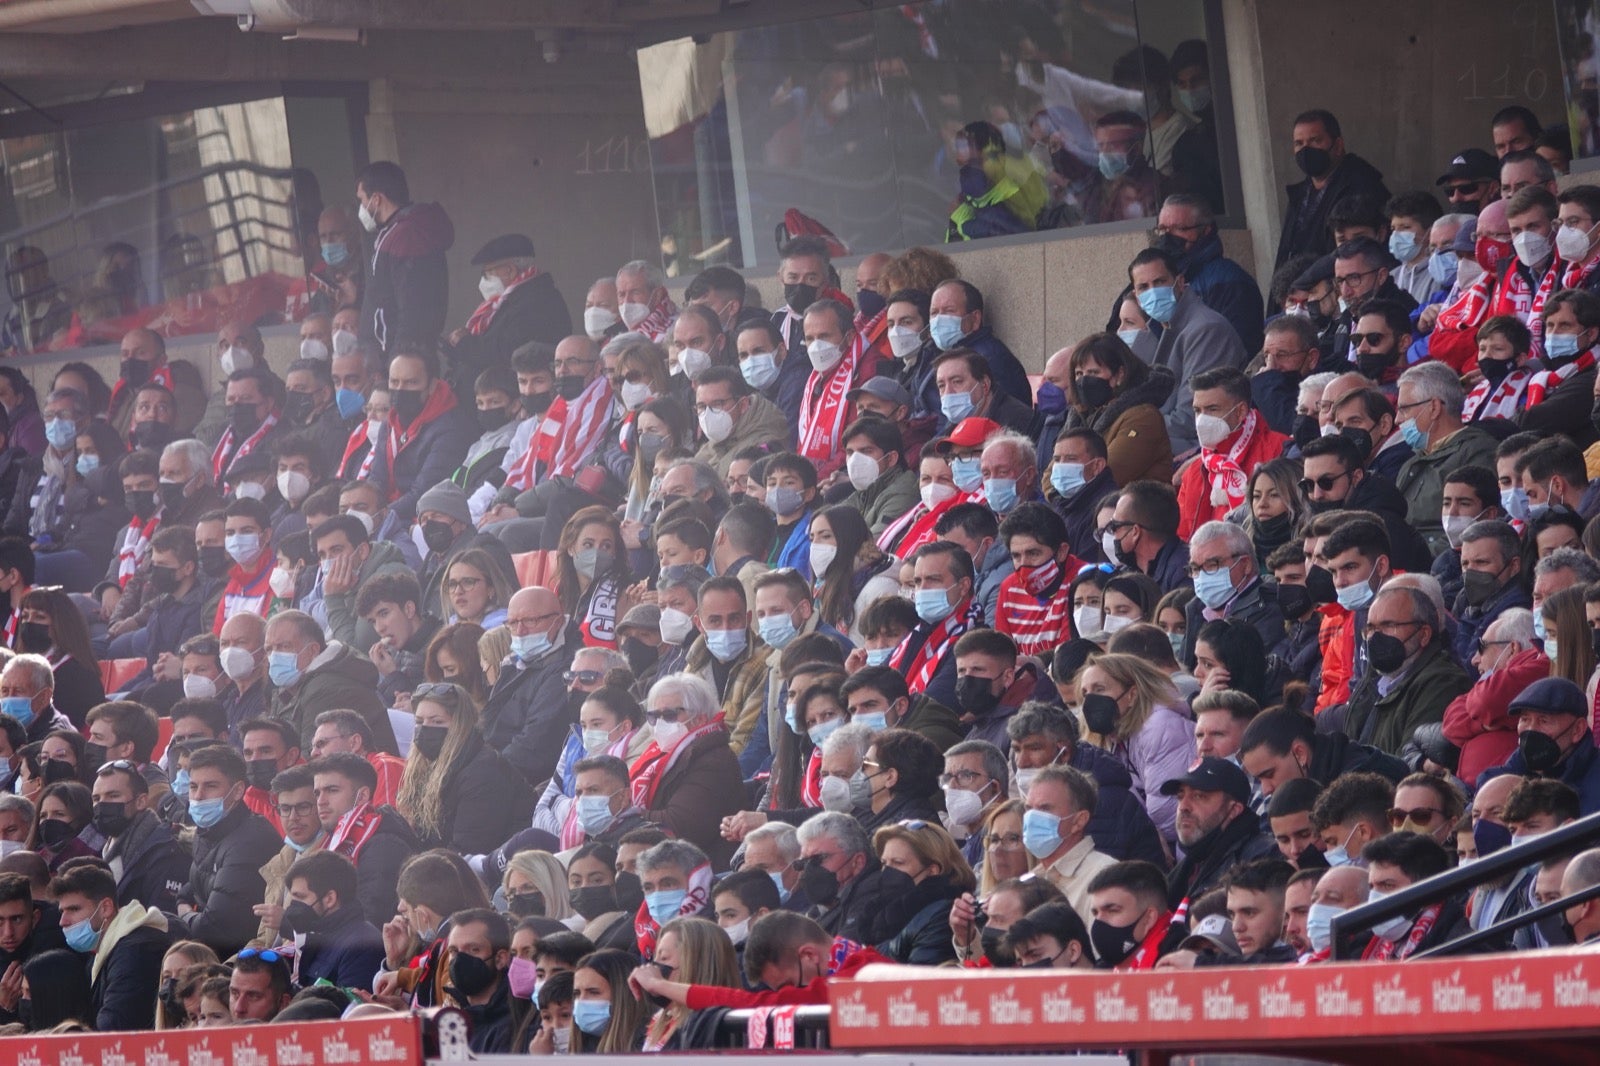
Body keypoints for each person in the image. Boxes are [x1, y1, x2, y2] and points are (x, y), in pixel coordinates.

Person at [628, 910, 887, 1009]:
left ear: (808, 955)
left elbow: (754, 1003)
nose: (787, 996)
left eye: (788, 985)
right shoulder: (860, 961)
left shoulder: (861, 977)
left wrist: (660, 985)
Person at [1128, 248, 1247, 453]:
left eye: (1159, 282)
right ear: (1136, 298)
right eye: (1144, 287)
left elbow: (1190, 419)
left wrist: (1131, 427)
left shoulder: (1206, 329)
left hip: (1206, 446)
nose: (1153, 292)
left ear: (1180, 282)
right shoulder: (1168, 325)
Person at [1342, 582, 1473, 756]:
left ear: (1424, 634)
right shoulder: (1372, 681)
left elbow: (1406, 765)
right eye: (1371, 628)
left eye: (1389, 625)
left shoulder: (1442, 683)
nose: (1376, 636)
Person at [176, 744, 282, 955]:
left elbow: (214, 928)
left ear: (238, 791)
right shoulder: (209, 830)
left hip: (240, 958)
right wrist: (183, 903)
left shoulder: (251, 840)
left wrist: (183, 913)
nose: (198, 796)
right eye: (193, 786)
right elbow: (190, 888)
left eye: (211, 786)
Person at [1389, 362, 1499, 555]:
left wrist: (1415, 559)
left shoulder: (1478, 452)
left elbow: (1472, 527)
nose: (1397, 419)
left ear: (1433, 407)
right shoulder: (1410, 464)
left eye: (1404, 409)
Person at [52, 861, 170, 1031]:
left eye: (74, 909)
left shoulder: (134, 953)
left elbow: (112, 1029)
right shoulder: (107, 950)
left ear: (105, 908)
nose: (63, 922)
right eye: (62, 911)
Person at [444, 233, 571, 392]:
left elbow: (505, 352)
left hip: (510, 399)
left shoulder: (536, 301)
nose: (483, 281)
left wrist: (465, 344)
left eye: (487, 273)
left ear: (509, 270)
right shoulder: (511, 301)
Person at [356, 161, 453, 354]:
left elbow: (412, 310)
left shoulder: (406, 236)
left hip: (403, 360)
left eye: (362, 199)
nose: (362, 207)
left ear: (376, 199)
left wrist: (398, 358)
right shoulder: (395, 232)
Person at [265, 610, 395, 753]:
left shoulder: (326, 689)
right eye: (269, 649)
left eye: (284, 646)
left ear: (313, 650)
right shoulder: (291, 688)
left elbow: (311, 759)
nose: (274, 656)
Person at [1274, 109, 1391, 268]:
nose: (1306, 150)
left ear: (1337, 145)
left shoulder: (1363, 187)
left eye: (1315, 140)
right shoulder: (1300, 194)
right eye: (1299, 143)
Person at [311, 752, 419, 924]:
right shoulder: (329, 842)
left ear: (362, 796)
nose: (321, 801)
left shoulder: (383, 845)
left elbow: (371, 920)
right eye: (317, 793)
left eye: (332, 790)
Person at [1443, 608, 1544, 783]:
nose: (1474, 660)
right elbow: (1451, 721)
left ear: (1512, 649)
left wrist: (1485, 716)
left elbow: (1485, 702)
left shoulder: (1534, 670)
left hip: (1503, 792)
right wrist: (1487, 722)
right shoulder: (1490, 681)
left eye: (1482, 647)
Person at [1161, 756, 1276, 908]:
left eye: (1199, 796)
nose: (1184, 806)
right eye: (1180, 796)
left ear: (1234, 810)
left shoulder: (1261, 858)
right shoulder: (1191, 863)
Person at [1179, 520, 1286, 667]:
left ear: (1246, 565)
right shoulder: (1196, 609)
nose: (1202, 576)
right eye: (1195, 568)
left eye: (1212, 565)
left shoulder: (1269, 609)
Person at [92, 759, 188, 914]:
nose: (102, 805)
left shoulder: (166, 849)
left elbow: (162, 921)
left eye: (113, 796)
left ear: (141, 801)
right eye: (96, 799)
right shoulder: (100, 853)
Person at [1357, 832, 1464, 960]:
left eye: (1387, 885)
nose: (1374, 898)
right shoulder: (1361, 946)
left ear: (1425, 889)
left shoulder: (1460, 947)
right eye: (1372, 887)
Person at [1086, 860, 1186, 970]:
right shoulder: (1102, 970)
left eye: (1112, 910)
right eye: (1095, 913)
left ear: (1148, 919)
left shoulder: (1179, 965)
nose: (1099, 921)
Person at [1107, 480, 1191, 593]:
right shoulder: (1127, 573)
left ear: (1135, 532)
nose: (1112, 534)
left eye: (1114, 526)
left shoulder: (1185, 571)